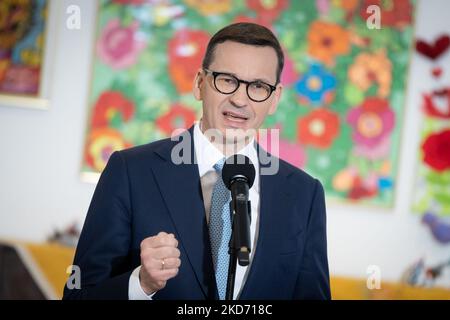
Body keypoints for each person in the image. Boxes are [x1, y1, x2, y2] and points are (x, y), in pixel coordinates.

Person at [63, 22, 330, 300]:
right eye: (227, 80)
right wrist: (141, 284)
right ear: (200, 83)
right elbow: (77, 295)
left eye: (259, 86)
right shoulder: (131, 172)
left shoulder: (304, 194)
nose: (240, 99)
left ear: (274, 98)